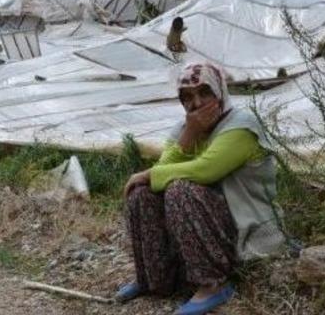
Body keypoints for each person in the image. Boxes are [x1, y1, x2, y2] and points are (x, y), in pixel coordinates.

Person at [117, 62, 286, 315]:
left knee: (180, 190)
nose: (196, 103)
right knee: (142, 194)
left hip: (244, 225)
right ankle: (154, 279)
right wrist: (188, 136)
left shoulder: (241, 125)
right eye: (187, 97)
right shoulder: (185, 129)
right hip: (203, 226)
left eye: (204, 92)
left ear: (220, 91)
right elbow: (162, 171)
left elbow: (206, 170)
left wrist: (149, 173)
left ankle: (213, 284)